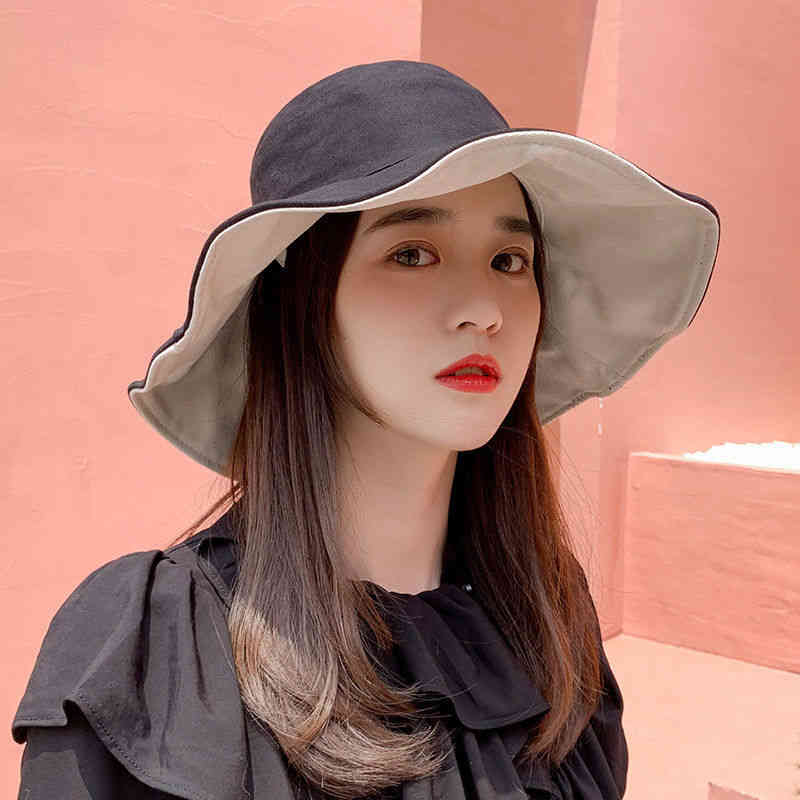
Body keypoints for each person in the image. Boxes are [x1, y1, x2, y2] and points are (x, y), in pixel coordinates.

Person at [11, 59, 720, 799]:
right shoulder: (158, 649)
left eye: (510, 260)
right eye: (412, 254)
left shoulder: (546, 616)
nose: (484, 310)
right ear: (304, 305)